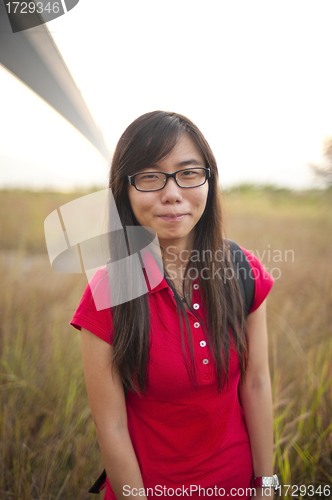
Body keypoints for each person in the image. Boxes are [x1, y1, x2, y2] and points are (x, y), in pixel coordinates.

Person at [70, 111, 277, 500]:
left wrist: (267, 486)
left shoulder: (242, 270)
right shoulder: (110, 292)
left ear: (209, 180)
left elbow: (256, 382)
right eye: (149, 177)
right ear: (124, 191)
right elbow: (111, 426)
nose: (172, 193)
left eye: (188, 173)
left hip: (238, 484)